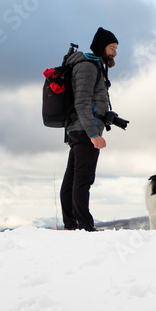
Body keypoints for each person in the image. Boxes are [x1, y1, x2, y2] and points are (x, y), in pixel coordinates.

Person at [59, 27, 118, 231]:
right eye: (112, 48)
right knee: (83, 180)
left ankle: (71, 224)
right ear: (102, 48)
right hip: (84, 131)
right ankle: (84, 226)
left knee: (72, 179)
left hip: (79, 129)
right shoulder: (87, 67)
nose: (115, 53)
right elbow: (82, 102)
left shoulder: (92, 66)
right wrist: (94, 134)